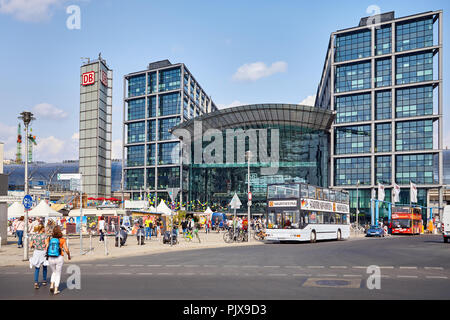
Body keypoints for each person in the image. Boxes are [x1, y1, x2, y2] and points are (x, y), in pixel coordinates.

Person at [45, 226, 71, 295]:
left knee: (54, 272)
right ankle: (56, 289)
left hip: (50, 257)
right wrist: (68, 255)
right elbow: (66, 249)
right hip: (59, 257)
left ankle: (51, 285)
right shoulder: (62, 239)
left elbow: (47, 247)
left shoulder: (49, 238)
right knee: (58, 273)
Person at [29, 224, 48, 289]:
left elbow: (31, 245)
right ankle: (44, 280)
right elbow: (46, 244)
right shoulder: (45, 236)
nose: (44, 229)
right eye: (44, 228)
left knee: (37, 267)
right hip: (43, 252)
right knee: (44, 266)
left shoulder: (33, 236)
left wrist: (35, 245)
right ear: (42, 229)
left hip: (36, 252)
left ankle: (36, 282)